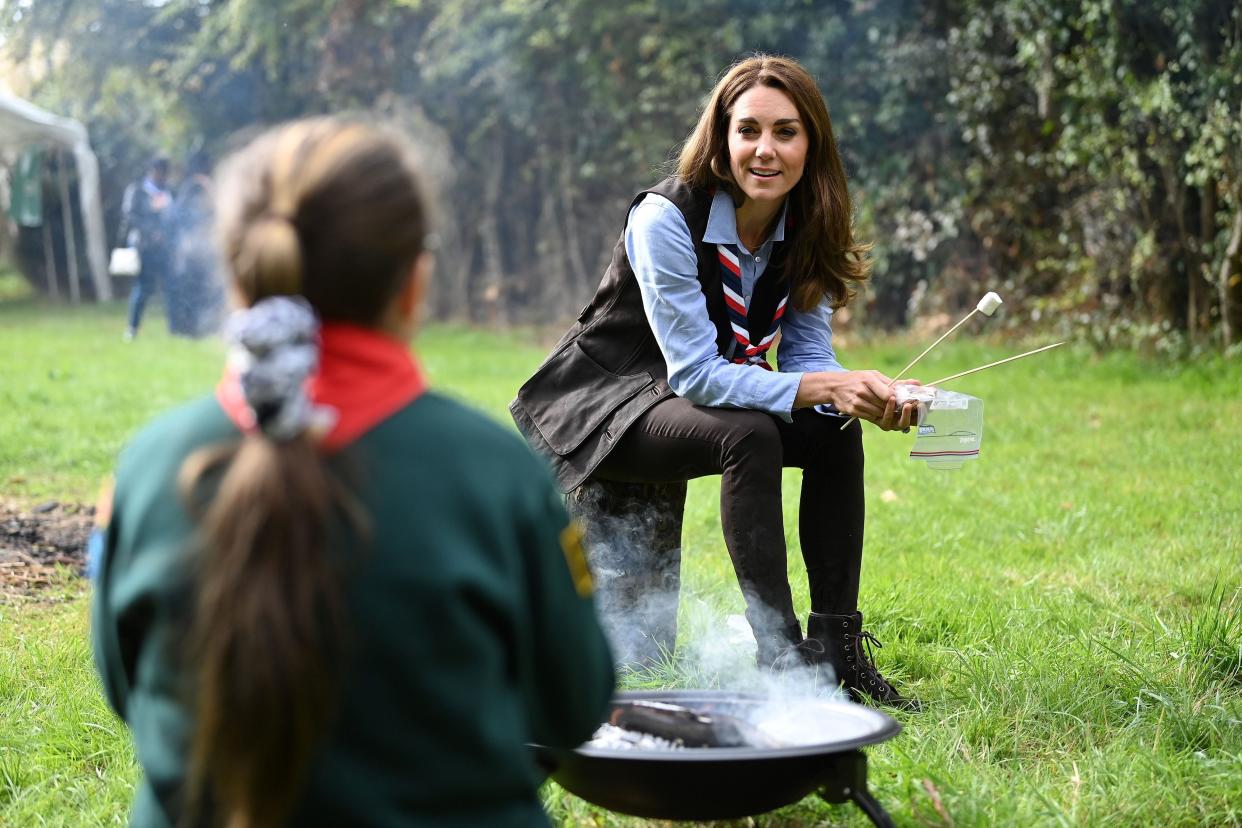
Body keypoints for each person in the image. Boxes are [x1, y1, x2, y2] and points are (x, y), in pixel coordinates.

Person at [93, 119, 615, 827]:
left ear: (237, 274)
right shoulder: (496, 474)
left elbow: (127, 692)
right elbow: (575, 704)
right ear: (413, 282)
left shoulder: (147, 469)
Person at [510, 55, 920, 709]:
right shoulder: (664, 218)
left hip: (695, 398)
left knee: (833, 428)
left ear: (810, 144)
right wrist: (821, 389)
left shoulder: (809, 223)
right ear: (721, 139)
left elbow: (810, 354)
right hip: (611, 404)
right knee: (750, 433)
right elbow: (696, 374)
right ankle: (781, 659)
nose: (766, 149)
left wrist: (872, 394)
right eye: (748, 130)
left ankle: (838, 649)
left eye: (786, 132)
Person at [167, 151, 225, 337]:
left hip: (204, 248)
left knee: (204, 290)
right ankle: (190, 328)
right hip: (191, 248)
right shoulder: (190, 188)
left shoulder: (207, 188)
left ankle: (204, 327)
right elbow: (178, 215)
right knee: (191, 290)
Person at [119, 156, 174, 340]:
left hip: (165, 248)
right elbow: (130, 216)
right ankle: (132, 328)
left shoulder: (168, 192)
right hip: (144, 247)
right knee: (142, 287)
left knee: (170, 287)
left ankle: (175, 327)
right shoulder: (137, 191)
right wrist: (152, 232)